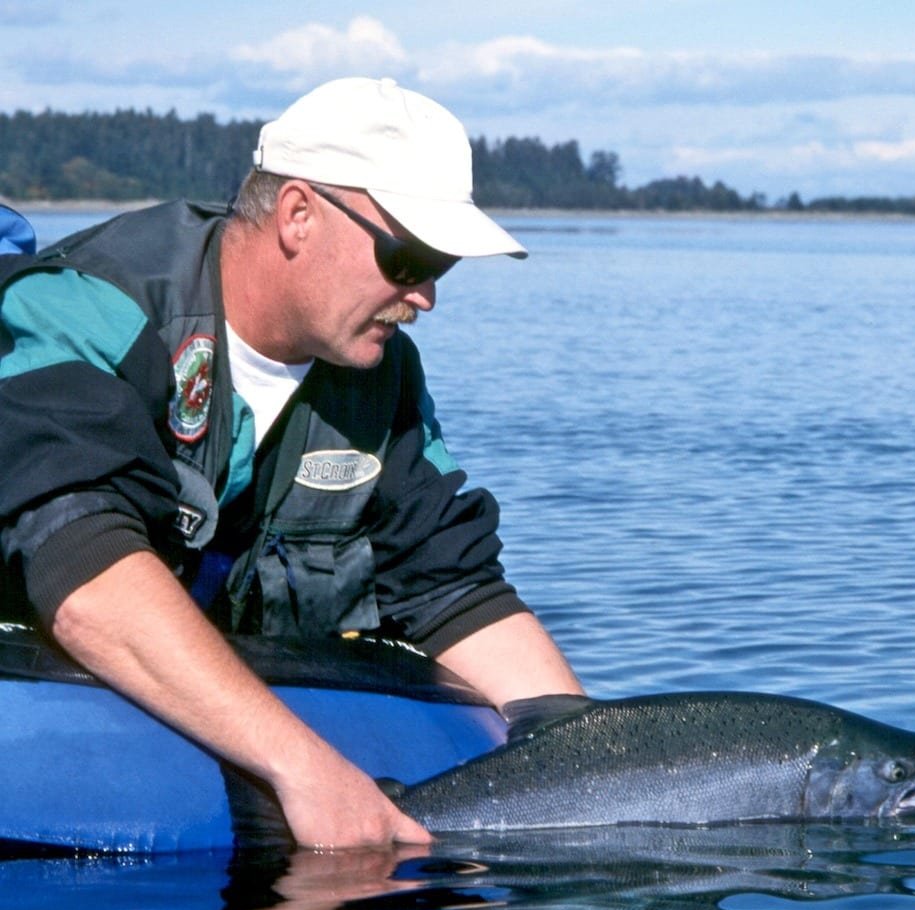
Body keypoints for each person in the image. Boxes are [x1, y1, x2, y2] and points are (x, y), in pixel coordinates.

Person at [0, 77, 584, 848]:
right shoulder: (87, 308)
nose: (426, 297)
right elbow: (81, 568)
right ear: (299, 215)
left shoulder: (380, 377)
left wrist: (592, 757)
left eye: (442, 265)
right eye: (408, 257)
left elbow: (454, 588)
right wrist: (303, 768)